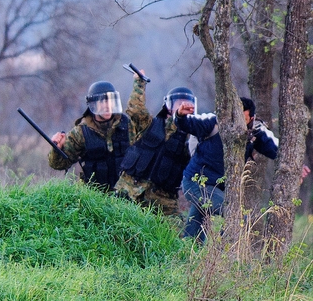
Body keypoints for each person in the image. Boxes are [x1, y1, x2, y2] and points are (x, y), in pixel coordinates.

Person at [176, 97, 278, 242]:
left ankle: (187, 252)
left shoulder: (255, 132)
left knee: (194, 233)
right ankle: (223, 251)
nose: (237, 124)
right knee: (236, 216)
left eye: (242, 119)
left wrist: (298, 168)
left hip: (216, 188)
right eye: (234, 118)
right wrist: (180, 116)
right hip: (195, 183)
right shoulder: (213, 122)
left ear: (251, 119)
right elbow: (188, 124)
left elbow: (277, 150)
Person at [48, 73, 152, 192]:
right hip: (94, 196)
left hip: (126, 195)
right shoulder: (81, 132)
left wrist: (139, 83)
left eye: (110, 101)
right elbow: (58, 164)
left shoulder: (128, 125)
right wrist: (57, 148)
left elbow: (142, 120)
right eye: (102, 102)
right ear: (93, 104)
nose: (107, 106)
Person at [114, 87, 194, 216]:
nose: (184, 107)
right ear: (168, 105)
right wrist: (139, 83)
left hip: (164, 201)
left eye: (189, 104)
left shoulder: (191, 137)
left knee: (175, 228)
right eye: (179, 103)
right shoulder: (149, 124)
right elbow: (135, 109)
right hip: (130, 190)